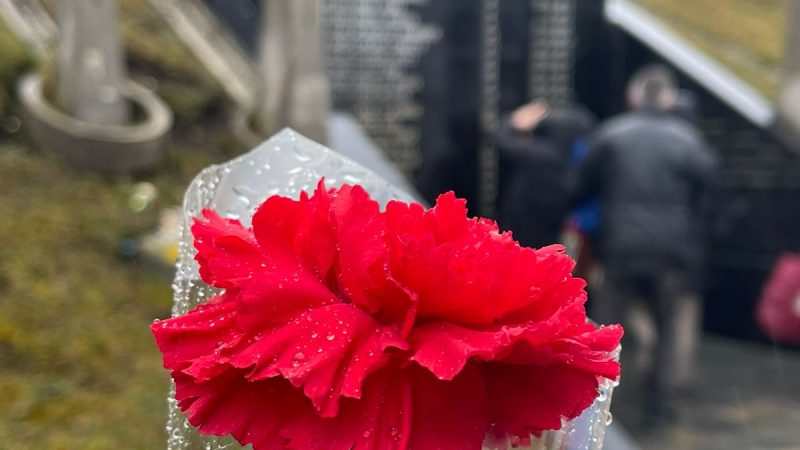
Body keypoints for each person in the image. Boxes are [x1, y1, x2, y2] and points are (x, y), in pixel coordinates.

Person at [574, 65, 718, 427]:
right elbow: (711, 195)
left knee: (608, 327)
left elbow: (581, 185)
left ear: (633, 97)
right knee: (667, 329)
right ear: (668, 99)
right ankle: (658, 406)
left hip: (621, 246)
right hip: (672, 250)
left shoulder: (612, 134)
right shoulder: (689, 140)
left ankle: (600, 404)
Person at [493, 101, 596, 248]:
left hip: (522, 229)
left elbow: (501, 138)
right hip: (552, 229)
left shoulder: (541, 153)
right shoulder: (575, 159)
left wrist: (513, 121)